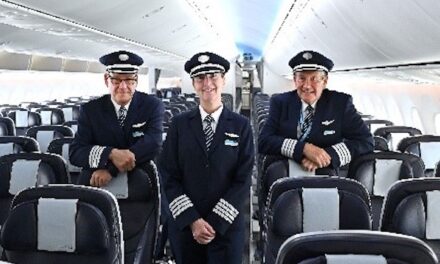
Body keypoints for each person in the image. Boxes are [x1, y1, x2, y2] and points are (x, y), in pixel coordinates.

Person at [159, 51, 254, 264]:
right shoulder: (179, 125)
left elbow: (243, 178)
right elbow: (168, 176)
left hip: (226, 228)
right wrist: (193, 221)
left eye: (213, 76)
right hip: (186, 229)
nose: (207, 83)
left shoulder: (241, 125)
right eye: (200, 78)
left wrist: (215, 223)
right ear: (194, 84)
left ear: (223, 80)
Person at [258, 50, 373, 174]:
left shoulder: (340, 104)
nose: (307, 86)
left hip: (325, 174)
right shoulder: (280, 102)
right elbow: (264, 141)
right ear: (295, 79)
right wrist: (304, 149)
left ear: (325, 81)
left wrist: (326, 156)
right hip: (284, 173)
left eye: (314, 79)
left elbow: (365, 141)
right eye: (302, 78)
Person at [70, 50, 164, 186]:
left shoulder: (152, 105)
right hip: (98, 185)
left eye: (129, 80)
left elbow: (153, 144)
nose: (123, 86)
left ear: (136, 81)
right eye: (116, 80)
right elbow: (76, 152)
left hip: (141, 181)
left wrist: (111, 169)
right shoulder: (90, 110)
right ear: (106, 79)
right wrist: (110, 153)